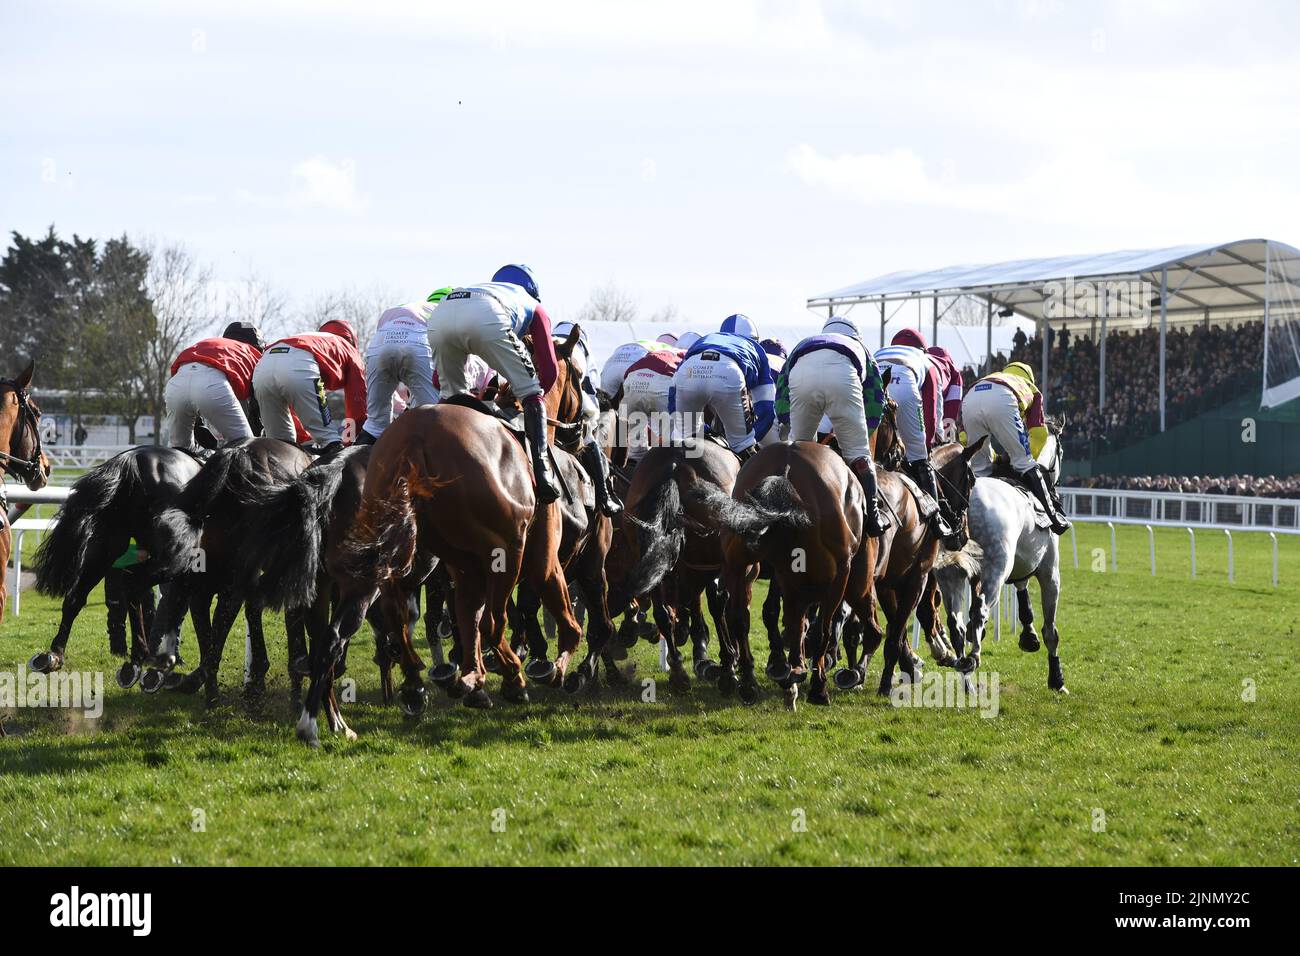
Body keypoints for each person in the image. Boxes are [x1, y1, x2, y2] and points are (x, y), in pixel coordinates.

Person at [427, 263, 563, 504]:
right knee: (532, 390)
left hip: (441, 312)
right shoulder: (534, 306)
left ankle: (432, 459)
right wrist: (530, 399)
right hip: (487, 314)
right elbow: (550, 372)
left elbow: (436, 381)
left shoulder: (486, 287)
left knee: (450, 398)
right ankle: (543, 473)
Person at [777, 316, 889, 536]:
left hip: (802, 376)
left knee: (799, 451)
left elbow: (781, 387)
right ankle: (873, 519)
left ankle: (784, 508)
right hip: (843, 377)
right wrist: (863, 433)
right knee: (859, 453)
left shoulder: (806, 341)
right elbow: (876, 400)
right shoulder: (860, 348)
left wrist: (787, 421)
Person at [962, 360, 1071, 533]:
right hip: (1003, 397)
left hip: (970, 396)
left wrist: (996, 459)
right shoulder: (1031, 390)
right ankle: (1054, 517)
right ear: (1029, 378)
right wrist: (1021, 459)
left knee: (979, 469)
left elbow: (964, 439)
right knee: (1025, 462)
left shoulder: (994, 376)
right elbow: (1039, 433)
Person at [874, 328, 960, 545]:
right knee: (920, 458)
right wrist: (930, 441)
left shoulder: (880, 351)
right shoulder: (926, 361)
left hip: (874, 383)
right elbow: (933, 408)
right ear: (923, 349)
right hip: (905, 386)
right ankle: (937, 520)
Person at [669, 314, 775, 460]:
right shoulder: (756, 349)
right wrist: (747, 439)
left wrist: (701, 432)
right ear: (755, 339)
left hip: (689, 370)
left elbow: (673, 393)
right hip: (728, 373)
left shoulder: (706, 339)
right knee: (742, 445)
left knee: (686, 440)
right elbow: (767, 411)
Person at [252, 319, 368, 452]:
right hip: (300, 363)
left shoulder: (310, 338)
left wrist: (304, 439)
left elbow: (292, 402)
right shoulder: (350, 350)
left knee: (280, 447)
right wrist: (350, 440)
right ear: (352, 341)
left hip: (264, 364)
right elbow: (357, 404)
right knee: (330, 442)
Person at [551, 320, 622, 516]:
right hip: (567, 405)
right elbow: (590, 393)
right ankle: (604, 496)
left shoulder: (546, 342)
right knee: (589, 437)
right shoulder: (582, 352)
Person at [161, 321, 267, 449]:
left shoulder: (212, 344)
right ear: (257, 347)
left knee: (180, 452)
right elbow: (256, 411)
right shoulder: (252, 355)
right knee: (246, 448)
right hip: (210, 384)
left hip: (176, 385)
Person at [357, 297, 441, 444]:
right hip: (417, 340)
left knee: (375, 424)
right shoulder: (446, 311)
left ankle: (347, 465)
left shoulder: (414, 305)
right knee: (435, 418)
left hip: (381, 340)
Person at [622, 342, 684, 461]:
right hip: (662, 381)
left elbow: (627, 375)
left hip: (632, 379)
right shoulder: (687, 355)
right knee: (671, 446)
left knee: (636, 453)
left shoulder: (659, 351)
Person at [599, 337, 676, 404]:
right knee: (634, 408)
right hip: (636, 360)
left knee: (607, 407)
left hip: (614, 360)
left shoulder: (649, 342)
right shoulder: (671, 350)